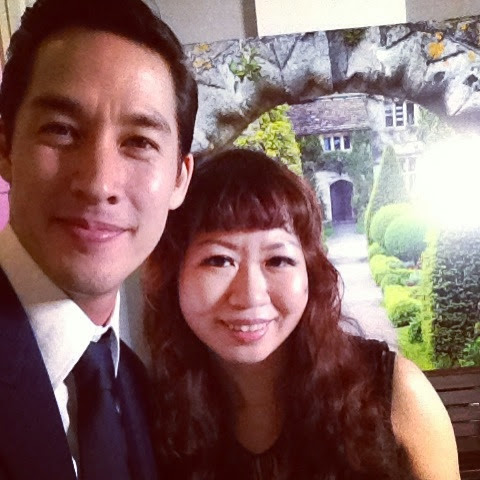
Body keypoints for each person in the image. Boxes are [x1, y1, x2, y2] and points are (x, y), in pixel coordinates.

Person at [144, 148, 460, 480]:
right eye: (219, 260)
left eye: (278, 260)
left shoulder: (395, 395)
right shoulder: (147, 416)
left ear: (310, 273)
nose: (251, 294)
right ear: (173, 274)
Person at [0, 0, 197, 478]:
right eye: (61, 130)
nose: (99, 183)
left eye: (140, 142)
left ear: (179, 178)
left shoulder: (136, 386)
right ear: (5, 148)